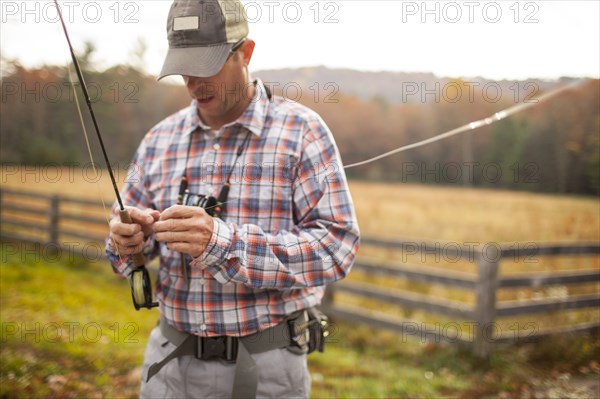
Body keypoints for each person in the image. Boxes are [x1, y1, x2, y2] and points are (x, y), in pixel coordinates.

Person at [106, 0, 360, 397]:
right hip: (170, 368)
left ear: (246, 52)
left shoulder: (303, 132)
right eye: (183, 68)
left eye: (206, 66)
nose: (193, 82)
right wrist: (127, 244)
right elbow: (123, 258)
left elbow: (336, 249)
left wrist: (221, 244)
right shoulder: (158, 140)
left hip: (267, 371)